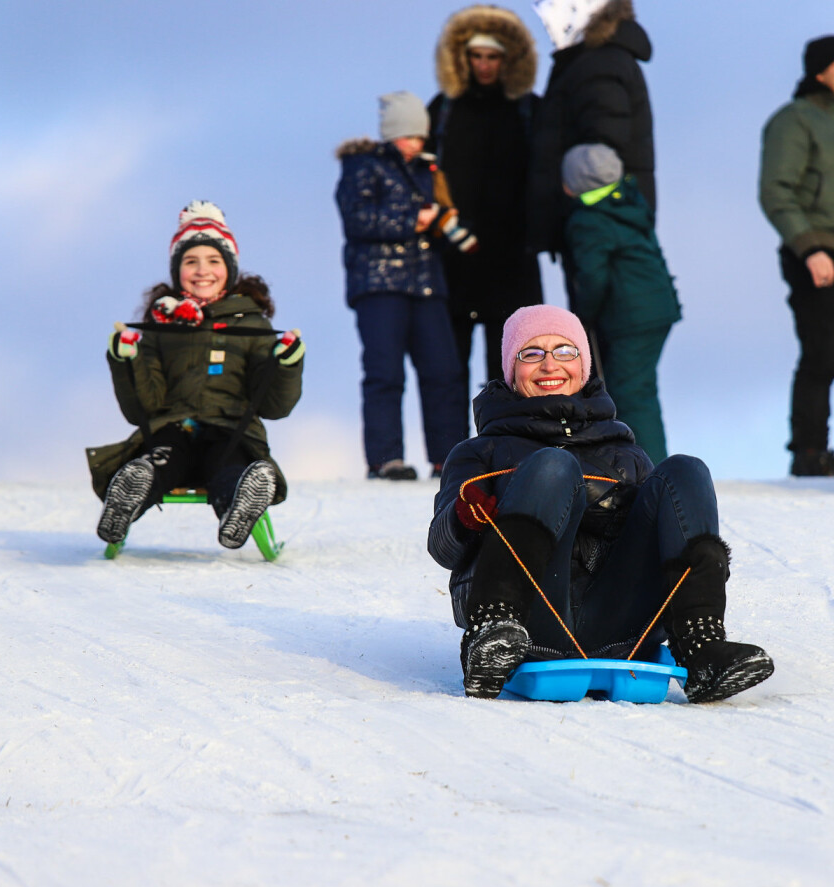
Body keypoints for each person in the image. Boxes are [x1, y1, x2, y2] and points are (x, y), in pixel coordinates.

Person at [428, 303, 773, 702]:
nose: (549, 364)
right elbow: (442, 547)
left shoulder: (625, 452)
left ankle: (701, 648)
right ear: (511, 369)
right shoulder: (479, 451)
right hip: (530, 621)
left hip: (621, 624)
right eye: (531, 353)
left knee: (686, 470)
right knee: (553, 465)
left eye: (564, 351)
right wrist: (463, 519)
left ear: (584, 364)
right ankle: (492, 634)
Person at [88, 201, 304, 548]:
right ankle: (131, 493)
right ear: (177, 271)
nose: (203, 270)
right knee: (162, 458)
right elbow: (142, 407)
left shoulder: (252, 324)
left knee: (229, 463)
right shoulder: (160, 329)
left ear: (230, 269)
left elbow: (274, 405)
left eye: (214, 261)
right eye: (191, 261)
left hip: (231, 431)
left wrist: (286, 364)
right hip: (172, 429)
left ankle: (240, 499)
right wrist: (126, 359)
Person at [336, 91, 468, 480]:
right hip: (378, 285)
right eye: (410, 134)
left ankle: (449, 459)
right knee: (385, 373)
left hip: (426, 284)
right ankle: (385, 459)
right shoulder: (362, 165)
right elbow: (357, 219)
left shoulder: (429, 171)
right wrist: (414, 218)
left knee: (444, 371)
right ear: (392, 132)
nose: (417, 142)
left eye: (421, 136)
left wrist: (445, 221)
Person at [759, 35, 834, 477]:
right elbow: (775, 192)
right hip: (815, 252)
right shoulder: (793, 120)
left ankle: (816, 448)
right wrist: (809, 249)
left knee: (833, 354)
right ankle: (809, 451)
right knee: (819, 353)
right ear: (820, 69)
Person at [427, 5, 544, 392]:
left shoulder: (530, 111)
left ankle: (509, 451)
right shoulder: (443, 111)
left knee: (511, 369)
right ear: (462, 58)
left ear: (509, 59)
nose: (484, 65)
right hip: (453, 259)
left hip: (513, 262)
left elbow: (549, 177)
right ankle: (452, 454)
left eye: (493, 57)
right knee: (447, 374)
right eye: (476, 56)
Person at [561, 143, 680, 463]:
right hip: (657, 306)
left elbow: (593, 276)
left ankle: (651, 469)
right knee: (641, 388)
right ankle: (643, 463)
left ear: (574, 185)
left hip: (631, 315)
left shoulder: (589, 220)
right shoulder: (629, 201)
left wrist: (582, 316)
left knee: (631, 393)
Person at [527, 0, 655, 281]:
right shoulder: (589, 62)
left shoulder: (598, 65)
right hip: (602, 227)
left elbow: (602, 156)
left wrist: (577, 209)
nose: (547, 17)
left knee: (598, 313)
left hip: (600, 230)